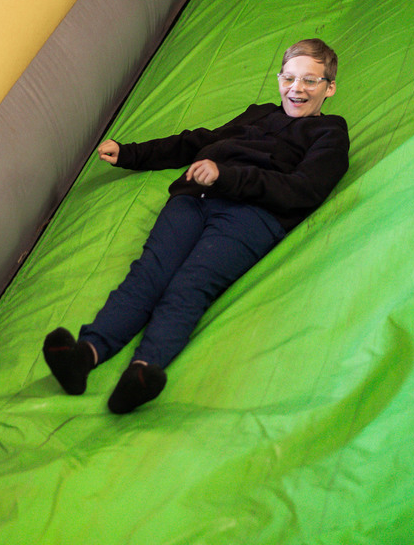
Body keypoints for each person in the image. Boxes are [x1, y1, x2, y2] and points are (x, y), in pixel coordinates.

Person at [43, 38, 350, 413]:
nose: (296, 89)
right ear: (278, 79)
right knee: (148, 275)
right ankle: (84, 356)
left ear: (329, 87)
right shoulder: (258, 114)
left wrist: (227, 175)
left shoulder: (330, 133)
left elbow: (304, 189)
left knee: (190, 284)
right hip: (194, 199)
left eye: (310, 81)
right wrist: (130, 153)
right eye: (289, 78)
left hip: (253, 213)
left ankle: (143, 372)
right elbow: (198, 142)